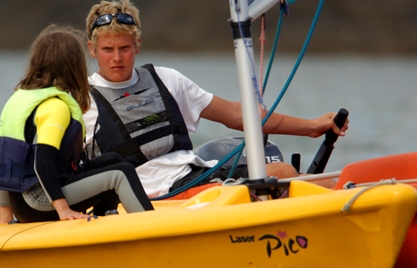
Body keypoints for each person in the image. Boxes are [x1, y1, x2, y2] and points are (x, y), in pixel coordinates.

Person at [83, 0, 349, 197]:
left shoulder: (166, 79)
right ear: (92, 49)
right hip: (147, 197)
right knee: (283, 175)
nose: (117, 58)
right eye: (108, 49)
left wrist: (312, 127)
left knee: (314, 182)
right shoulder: (81, 101)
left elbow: (237, 114)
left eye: (124, 48)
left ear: (137, 45)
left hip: (193, 175)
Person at [0, 25, 153, 224]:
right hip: (40, 201)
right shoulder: (55, 106)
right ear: (73, 66)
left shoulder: (20, 99)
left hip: (24, 202)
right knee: (121, 174)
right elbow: (43, 162)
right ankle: (155, 230)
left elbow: (4, 161)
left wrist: (5, 215)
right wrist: (63, 209)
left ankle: (103, 223)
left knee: (113, 160)